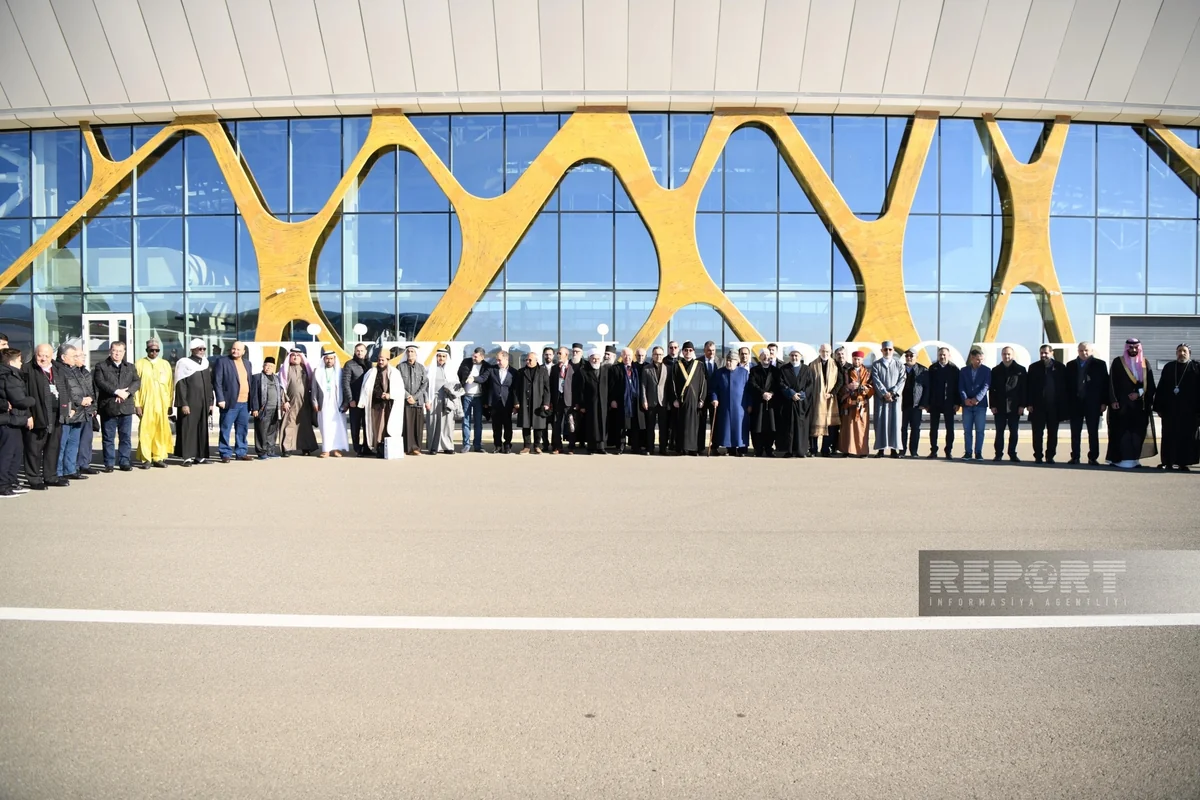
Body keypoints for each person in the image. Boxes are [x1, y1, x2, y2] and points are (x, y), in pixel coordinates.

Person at [22, 344, 68, 489]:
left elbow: (66, 389)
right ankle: (34, 479)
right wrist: (28, 414)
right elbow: (23, 394)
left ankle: (51, 476)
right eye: (40, 355)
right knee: (34, 448)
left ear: (52, 356)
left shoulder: (58, 369)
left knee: (53, 447)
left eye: (47, 356)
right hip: (37, 414)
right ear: (35, 355)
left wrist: (68, 408)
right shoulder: (28, 370)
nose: (43, 358)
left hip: (56, 414)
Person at [1106, 338, 1157, 469]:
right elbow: (1111, 382)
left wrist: (1139, 393)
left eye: (1135, 348)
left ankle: (1135, 459)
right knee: (1122, 433)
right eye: (1130, 348)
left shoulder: (1145, 363)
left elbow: (1150, 385)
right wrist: (1113, 400)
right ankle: (1121, 459)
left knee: (1137, 433)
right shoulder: (1118, 362)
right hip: (1121, 405)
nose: (1133, 350)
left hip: (1140, 407)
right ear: (1126, 348)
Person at [92, 341, 141, 472]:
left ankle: (124, 461)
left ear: (124, 352)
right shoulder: (101, 366)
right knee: (108, 437)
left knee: (125, 437)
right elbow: (100, 382)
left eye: (120, 351)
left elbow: (137, 381)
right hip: (108, 406)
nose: (117, 353)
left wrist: (127, 392)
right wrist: (116, 391)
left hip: (126, 406)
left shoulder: (130, 367)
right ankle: (109, 463)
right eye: (115, 350)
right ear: (110, 351)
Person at [1154, 344, 1199, 471]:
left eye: (1184, 351)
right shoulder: (1169, 367)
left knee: (1187, 436)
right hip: (1170, 410)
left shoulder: (1196, 367)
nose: (1182, 353)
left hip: (1190, 411)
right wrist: (1159, 407)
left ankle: (1183, 463)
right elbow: (1161, 387)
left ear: (1189, 353)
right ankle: (1167, 462)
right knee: (1168, 435)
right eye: (1179, 351)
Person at [1063, 341, 1109, 466]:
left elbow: (1105, 384)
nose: (1084, 353)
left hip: (1093, 403)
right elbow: (1066, 385)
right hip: (1075, 403)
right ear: (1078, 351)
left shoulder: (1099, 364)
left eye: (1086, 350)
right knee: (1075, 432)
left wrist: (1104, 402)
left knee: (1093, 431)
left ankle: (1093, 457)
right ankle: (1075, 456)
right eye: (1081, 350)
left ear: (1091, 351)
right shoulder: (1071, 365)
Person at [174, 338, 214, 467]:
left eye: (203, 349)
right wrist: (183, 403)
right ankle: (187, 457)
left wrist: (211, 401)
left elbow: (209, 384)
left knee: (202, 428)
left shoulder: (205, 363)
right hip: (190, 402)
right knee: (188, 429)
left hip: (203, 402)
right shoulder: (184, 363)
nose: (202, 351)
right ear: (192, 349)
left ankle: (200, 456)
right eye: (199, 349)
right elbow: (180, 385)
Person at [134, 338, 173, 468]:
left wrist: (169, 405)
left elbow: (170, 386)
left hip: (162, 404)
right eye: (151, 350)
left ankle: (158, 457)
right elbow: (135, 387)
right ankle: (146, 459)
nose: (154, 352)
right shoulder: (139, 364)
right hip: (146, 403)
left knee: (160, 430)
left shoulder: (165, 364)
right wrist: (137, 404)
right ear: (147, 350)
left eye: (157, 350)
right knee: (146, 431)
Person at [359, 349, 405, 458]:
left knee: (388, 427)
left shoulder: (395, 372)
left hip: (390, 405)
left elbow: (400, 389)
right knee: (377, 427)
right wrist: (378, 395)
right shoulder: (371, 372)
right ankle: (379, 448)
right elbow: (366, 388)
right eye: (379, 360)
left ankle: (387, 448)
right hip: (376, 405)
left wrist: (390, 395)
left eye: (382, 360)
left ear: (387, 360)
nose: (380, 362)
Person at [1026, 344, 1068, 464]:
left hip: (1054, 407)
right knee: (1037, 433)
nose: (1043, 355)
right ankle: (1038, 456)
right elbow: (1029, 387)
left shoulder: (1060, 367)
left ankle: (1050, 456)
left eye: (1046, 353)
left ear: (1052, 353)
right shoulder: (1033, 367)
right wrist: (1029, 403)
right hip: (1037, 406)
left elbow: (1064, 388)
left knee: (1053, 433)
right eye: (1041, 353)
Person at [55, 343, 91, 480]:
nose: (76, 358)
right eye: (73, 356)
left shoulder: (74, 369)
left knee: (73, 443)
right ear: (64, 357)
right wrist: (79, 401)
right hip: (68, 410)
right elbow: (65, 390)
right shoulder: (59, 370)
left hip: (80, 411)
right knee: (62, 444)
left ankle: (70, 469)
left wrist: (88, 399)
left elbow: (83, 387)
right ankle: (58, 471)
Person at [0, 348, 33, 498]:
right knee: (7, 454)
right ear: (12, 361)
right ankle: (3, 485)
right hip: (8, 420)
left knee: (16, 452)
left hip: (16, 419)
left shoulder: (13, 375)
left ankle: (11, 481)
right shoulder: (8, 375)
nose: (21, 363)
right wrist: (32, 400)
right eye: (19, 360)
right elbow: (18, 399)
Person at [213, 340, 252, 463]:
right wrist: (220, 398)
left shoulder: (247, 363)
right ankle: (225, 453)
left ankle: (241, 452)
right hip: (229, 402)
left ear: (243, 352)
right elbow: (217, 382)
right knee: (226, 428)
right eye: (234, 349)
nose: (235, 351)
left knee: (242, 429)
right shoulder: (222, 361)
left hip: (245, 402)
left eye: (238, 349)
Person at [667, 341, 707, 456]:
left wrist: (702, 399)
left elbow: (704, 384)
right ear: (682, 351)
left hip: (695, 402)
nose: (688, 352)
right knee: (682, 425)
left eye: (690, 350)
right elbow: (672, 383)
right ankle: (681, 448)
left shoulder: (699, 365)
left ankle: (694, 448)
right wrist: (674, 399)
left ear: (693, 351)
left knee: (695, 426)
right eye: (685, 350)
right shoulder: (677, 365)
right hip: (681, 401)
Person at [989, 346, 1026, 462]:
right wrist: (993, 405)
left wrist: (1022, 406)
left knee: (1014, 431)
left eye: (1009, 354)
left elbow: (1024, 389)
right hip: (999, 406)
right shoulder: (995, 370)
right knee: (999, 432)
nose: (1006, 356)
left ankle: (1012, 454)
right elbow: (992, 389)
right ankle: (998, 454)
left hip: (1015, 407)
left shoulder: (1020, 370)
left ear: (1013, 355)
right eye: (1004, 354)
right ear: (1001, 355)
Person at [279, 346, 318, 457]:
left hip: (304, 403)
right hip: (290, 403)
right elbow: (281, 386)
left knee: (305, 426)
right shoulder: (285, 369)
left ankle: (306, 448)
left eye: (298, 356)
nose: (295, 357)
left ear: (301, 358)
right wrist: (284, 401)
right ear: (289, 357)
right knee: (289, 425)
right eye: (293, 356)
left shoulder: (306, 369)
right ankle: (287, 448)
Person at [922, 347, 959, 459]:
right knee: (933, 428)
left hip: (949, 402)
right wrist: (927, 403)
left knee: (950, 429)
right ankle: (933, 450)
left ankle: (948, 451)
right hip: (935, 403)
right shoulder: (932, 368)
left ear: (949, 356)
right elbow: (928, 387)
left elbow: (957, 387)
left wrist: (957, 403)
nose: (942, 357)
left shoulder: (954, 369)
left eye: (944, 355)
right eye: (940, 355)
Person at [777, 349, 815, 458]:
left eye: (796, 355)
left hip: (802, 404)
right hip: (788, 403)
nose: (794, 358)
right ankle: (789, 451)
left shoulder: (807, 369)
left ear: (800, 356)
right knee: (789, 427)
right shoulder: (784, 369)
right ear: (789, 356)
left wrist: (802, 394)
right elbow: (781, 383)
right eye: (792, 355)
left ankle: (801, 451)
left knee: (802, 427)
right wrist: (791, 393)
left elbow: (810, 385)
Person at [426, 348, 465, 455]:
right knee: (434, 423)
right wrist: (426, 401)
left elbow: (457, 387)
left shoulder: (451, 370)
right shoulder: (430, 369)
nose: (441, 358)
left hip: (448, 400)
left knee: (447, 424)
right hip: (433, 399)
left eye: (443, 356)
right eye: (439, 356)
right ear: (436, 357)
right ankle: (433, 447)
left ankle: (448, 446)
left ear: (447, 358)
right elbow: (425, 387)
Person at [870, 341, 905, 458]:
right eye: (885, 349)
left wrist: (893, 392)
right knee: (880, 423)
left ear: (893, 350)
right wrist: (884, 393)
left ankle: (894, 449)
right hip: (881, 399)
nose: (888, 352)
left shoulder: (899, 365)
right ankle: (880, 449)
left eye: (890, 349)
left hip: (894, 400)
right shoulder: (876, 365)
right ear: (881, 351)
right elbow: (876, 380)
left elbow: (902, 380)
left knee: (895, 423)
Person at [710, 351, 748, 456]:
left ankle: (741, 449)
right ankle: (729, 448)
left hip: (740, 406)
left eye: (731, 361)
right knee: (726, 427)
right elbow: (713, 389)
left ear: (737, 362)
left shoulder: (744, 373)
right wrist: (714, 398)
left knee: (740, 427)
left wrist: (749, 404)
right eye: (727, 360)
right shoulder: (719, 373)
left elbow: (748, 390)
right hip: (724, 405)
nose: (729, 363)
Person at [478, 349, 516, 453]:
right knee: (496, 426)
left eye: (499, 360)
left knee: (508, 425)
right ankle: (497, 445)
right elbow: (483, 379)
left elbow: (515, 389)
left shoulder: (514, 372)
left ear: (506, 359)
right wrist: (473, 378)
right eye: (497, 360)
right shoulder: (492, 370)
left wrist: (516, 404)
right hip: (494, 402)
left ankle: (507, 444)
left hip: (507, 402)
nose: (497, 362)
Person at [313, 349, 349, 458]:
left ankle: (336, 449)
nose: (329, 361)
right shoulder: (318, 372)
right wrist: (314, 402)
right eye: (327, 359)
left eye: (331, 358)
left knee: (337, 426)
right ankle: (326, 450)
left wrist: (345, 403)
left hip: (336, 402)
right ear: (324, 359)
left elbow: (345, 387)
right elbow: (314, 389)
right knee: (325, 426)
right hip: (323, 403)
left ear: (334, 359)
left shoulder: (340, 372)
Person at [573, 348, 610, 454]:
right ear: (589, 359)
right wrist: (582, 405)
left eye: (598, 359)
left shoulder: (605, 371)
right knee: (591, 424)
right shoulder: (583, 371)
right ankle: (591, 447)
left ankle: (601, 447)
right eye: (593, 359)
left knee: (602, 424)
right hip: (590, 403)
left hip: (603, 402)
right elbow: (580, 390)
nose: (596, 361)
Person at [838, 350, 874, 457]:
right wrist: (848, 387)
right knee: (847, 428)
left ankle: (862, 451)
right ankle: (847, 450)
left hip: (862, 404)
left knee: (861, 428)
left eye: (859, 359)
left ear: (862, 360)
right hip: (849, 403)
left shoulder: (867, 372)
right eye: (855, 359)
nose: (857, 361)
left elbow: (872, 387)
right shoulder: (846, 372)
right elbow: (841, 386)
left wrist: (863, 388)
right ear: (852, 359)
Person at [958, 347, 991, 461]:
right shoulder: (963, 371)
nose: (980, 361)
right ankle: (968, 452)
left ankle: (978, 452)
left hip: (980, 405)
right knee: (967, 430)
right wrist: (965, 399)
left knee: (980, 430)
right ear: (972, 359)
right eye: (977, 359)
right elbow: (961, 386)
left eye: (981, 359)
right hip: (967, 405)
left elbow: (986, 386)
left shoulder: (986, 370)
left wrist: (977, 399)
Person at [809, 343, 841, 457]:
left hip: (830, 400)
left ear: (830, 352)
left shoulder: (835, 365)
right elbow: (809, 382)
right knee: (815, 424)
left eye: (827, 351)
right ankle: (813, 450)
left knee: (829, 426)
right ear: (819, 351)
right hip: (816, 400)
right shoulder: (812, 365)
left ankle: (825, 450)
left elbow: (839, 381)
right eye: (823, 351)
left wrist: (832, 393)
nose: (825, 353)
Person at [610, 348, 644, 455]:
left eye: (629, 355)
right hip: (622, 401)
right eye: (625, 355)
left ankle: (635, 446)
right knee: (621, 425)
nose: (627, 358)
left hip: (635, 400)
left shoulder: (637, 368)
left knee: (635, 424)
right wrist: (613, 400)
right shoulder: (615, 369)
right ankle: (621, 446)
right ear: (621, 356)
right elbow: (611, 386)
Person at [248, 356, 283, 458]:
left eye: (270, 366)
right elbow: (253, 394)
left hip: (275, 409)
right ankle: (261, 452)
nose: (268, 368)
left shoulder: (277, 378)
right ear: (263, 366)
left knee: (272, 431)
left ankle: (270, 451)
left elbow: (280, 392)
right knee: (261, 431)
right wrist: (254, 408)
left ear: (274, 367)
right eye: (266, 365)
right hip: (263, 409)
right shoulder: (257, 377)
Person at [515, 350, 549, 454]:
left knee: (538, 425)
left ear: (536, 360)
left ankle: (537, 446)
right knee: (526, 425)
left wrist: (546, 403)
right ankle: (527, 446)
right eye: (526, 359)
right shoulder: (521, 372)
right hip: (525, 401)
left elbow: (547, 388)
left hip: (538, 403)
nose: (528, 361)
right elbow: (516, 389)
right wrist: (516, 402)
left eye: (530, 359)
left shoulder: (543, 371)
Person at [72, 347, 99, 475]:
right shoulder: (70, 372)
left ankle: (84, 463)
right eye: (80, 356)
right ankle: (74, 466)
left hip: (88, 410)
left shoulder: (86, 372)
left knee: (86, 439)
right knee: (75, 440)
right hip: (76, 410)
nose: (83, 358)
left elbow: (92, 390)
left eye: (83, 355)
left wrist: (93, 407)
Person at [747, 349, 778, 457]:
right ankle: (758, 449)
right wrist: (762, 393)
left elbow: (778, 385)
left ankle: (769, 448)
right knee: (757, 427)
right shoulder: (754, 370)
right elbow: (752, 384)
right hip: (759, 402)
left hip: (771, 403)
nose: (766, 357)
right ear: (759, 357)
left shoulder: (775, 371)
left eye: (768, 355)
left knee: (771, 427)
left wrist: (771, 394)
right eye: (763, 355)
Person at [397, 344, 428, 455]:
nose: (410, 354)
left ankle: (416, 448)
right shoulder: (400, 367)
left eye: (412, 352)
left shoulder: (421, 367)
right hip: (405, 402)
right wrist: (407, 396)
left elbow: (424, 384)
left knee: (417, 426)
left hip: (417, 402)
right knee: (405, 425)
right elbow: (398, 383)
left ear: (416, 354)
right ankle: (406, 448)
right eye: (408, 352)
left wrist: (414, 397)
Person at [459, 347, 490, 453]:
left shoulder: (486, 366)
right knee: (465, 421)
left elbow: (484, 378)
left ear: (482, 357)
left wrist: (474, 379)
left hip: (479, 397)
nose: (473, 358)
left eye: (476, 356)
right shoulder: (466, 362)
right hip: (466, 396)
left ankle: (477, 445)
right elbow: (459, 374)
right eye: (473, 355)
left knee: (478, 422)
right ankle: (466, 445)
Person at [342, 343, 371, 455]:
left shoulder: (369, 364)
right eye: (357, 351)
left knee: (367, 425)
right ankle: (357, 449)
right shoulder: (349, 364)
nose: (359, 353)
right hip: (355, 400)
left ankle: (367, 448)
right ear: (355, 352)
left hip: (367, 401)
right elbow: (345, 384)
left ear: (366, 352)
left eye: (362, 350)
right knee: (355, 426)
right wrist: (350, 400)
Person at [641, 346, 669, 455]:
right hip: (651, 402)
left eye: (660, 354)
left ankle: (663, 449)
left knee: (663, 427)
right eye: (656, 354)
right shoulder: (646, 368)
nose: (658, 356)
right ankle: (650, 448)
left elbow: (669, 387)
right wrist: (644, 400)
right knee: (650, 427)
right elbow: (643, 386)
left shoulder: (668, 368)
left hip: (663, 402)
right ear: (652, 355)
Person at [899, 348, 927, 458]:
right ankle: (902, 450)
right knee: (903, 428)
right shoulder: (900, 368)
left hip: (916, 404)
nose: (909, 357)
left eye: (911, 355)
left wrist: (924, 403)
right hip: (903, 404)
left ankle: (914, 451)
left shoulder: (923, 370)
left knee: (915, 428)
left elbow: (926, 388)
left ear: (916, 357)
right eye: (907, 356)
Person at [549, 346, 575, 454]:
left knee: (570, 424)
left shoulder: (573, 368)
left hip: (569, 401)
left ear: (566, 355)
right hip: (557, 400)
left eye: (560, 353)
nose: (558, 355)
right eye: (557, 353)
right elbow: (551, 385)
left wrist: (576, 402)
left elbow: (576, 387)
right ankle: (557, 446)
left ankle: (571, 447)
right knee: (556, 424)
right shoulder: (555, 368)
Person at [698, 341, 719, 455]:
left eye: (713, 350)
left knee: (714, 423)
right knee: (701, 422)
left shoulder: (720, 362)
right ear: (704, 351)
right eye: (709, 350)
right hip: (701, 396)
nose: (711, 353)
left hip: (715, 397)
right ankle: (700, 446)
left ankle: (714, 446)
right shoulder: (698, 362)